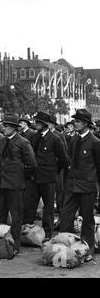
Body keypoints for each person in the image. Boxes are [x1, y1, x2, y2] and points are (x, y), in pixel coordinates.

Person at [60, 109, 100, 262]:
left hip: (87, 187)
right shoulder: (73, 140)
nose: (74, 123)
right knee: (65, 216)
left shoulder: (95, 142)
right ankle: (65, 246)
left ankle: (88, 249)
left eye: (77, 121)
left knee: (87, 220)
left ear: (85, 124)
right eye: (74, 121)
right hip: (72, 186)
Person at [0, 114, 37, 256]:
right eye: (3, 125)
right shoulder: (1, 141)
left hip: (15, 185)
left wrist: (19, 176)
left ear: (13, 128)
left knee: (16, 216)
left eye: (5, 126)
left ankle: (15, 245)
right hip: (1, 184)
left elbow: (31, 165)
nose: (3, 128)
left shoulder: (23, 142)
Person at [24, 112, 69, 240]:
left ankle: (47, 234)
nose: (36, 124)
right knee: (30, 205)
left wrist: (53, 171)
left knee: (48, 208)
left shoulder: (55, 139)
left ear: (45, 124)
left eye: (38, 122)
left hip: (48, 179)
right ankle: (28, 231)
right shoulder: (34, 137)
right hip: (34, 177)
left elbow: (63, 160)